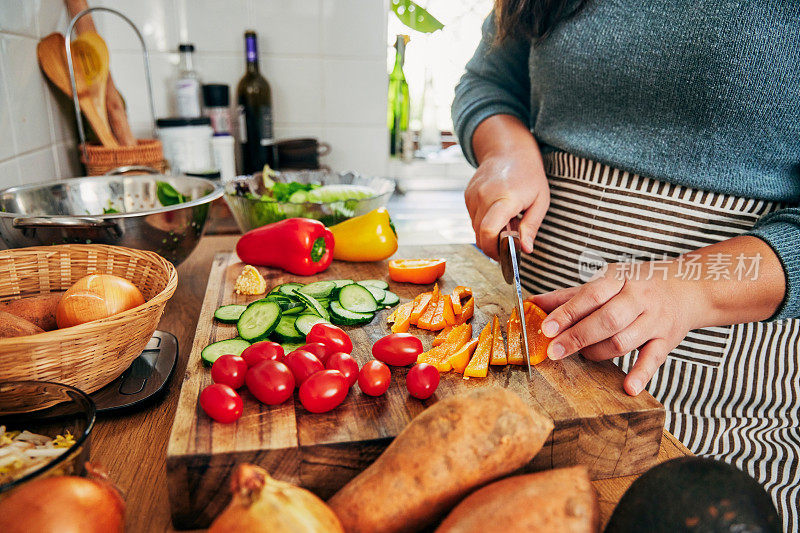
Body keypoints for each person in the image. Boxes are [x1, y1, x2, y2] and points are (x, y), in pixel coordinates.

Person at [452, 0, 800, 528]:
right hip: (530, 387)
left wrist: (692, 290)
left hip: (715, 413)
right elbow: (488, 81)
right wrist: (505, 151)